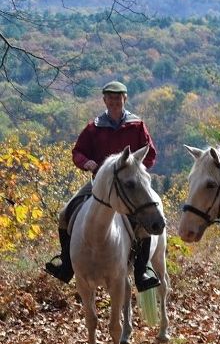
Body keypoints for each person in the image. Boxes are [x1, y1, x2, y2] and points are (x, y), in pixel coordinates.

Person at [45, 80, 160, 292]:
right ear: (104, 100)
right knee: (65, 214)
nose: (115, 102)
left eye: (119, 98)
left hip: (128, 187)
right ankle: (66, 264)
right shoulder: (94, 127)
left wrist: (135, 171)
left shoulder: (136, 125)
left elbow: (150, 153)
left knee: (144, 223)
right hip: (99, 184)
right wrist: (86, 162)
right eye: (111, 98)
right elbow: (78, 152)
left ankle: (142, 272)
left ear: (124, 99)